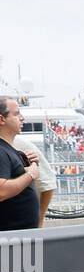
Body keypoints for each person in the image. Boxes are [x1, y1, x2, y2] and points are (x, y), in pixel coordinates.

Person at [0, 98, 40, 229]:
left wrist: (26, 163)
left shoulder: (7, 150)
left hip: (21, 237)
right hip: (12, 241)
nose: (22, 118)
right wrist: (30, 175)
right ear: (2, 119)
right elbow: (1, 191)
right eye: (16, 114)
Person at [12, 135, 55, 224]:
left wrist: (39, 221)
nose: (21, 120)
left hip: (16, 223)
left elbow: (47, 183)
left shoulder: (19, 144)